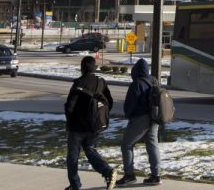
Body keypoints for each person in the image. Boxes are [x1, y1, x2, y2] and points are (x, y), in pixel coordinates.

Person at [64, 55, 118, 190]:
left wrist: (69, 121)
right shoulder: (101, 82)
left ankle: (75, 184)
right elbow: (109, 102)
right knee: (90, 149)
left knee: (73, 155)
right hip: (95, 126)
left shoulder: (78, 83)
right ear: (94, 67)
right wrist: (100, 116)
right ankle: (108, 171)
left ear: (82, 68)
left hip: (77, 127)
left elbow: (70, 106)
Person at [117, 58, 161, 186]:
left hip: (141, 118)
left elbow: (130, 105)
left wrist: (129, 116)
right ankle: (156, 175)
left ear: (135, 71)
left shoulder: (136, 84)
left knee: (127, 144)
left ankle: (129, 175)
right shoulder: (154, 80)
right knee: (152, 145)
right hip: (154, 117)